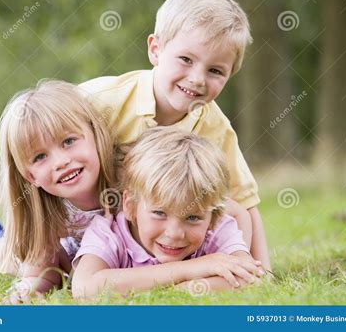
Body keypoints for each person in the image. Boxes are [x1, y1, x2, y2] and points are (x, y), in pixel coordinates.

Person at [79, 0, 270, 269]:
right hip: (82, 216)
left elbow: (244, 202)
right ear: (155, 49)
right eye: (186, 59)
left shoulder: (215, 127)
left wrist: (262, 268)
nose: (197, 79)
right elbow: (36, 140)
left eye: (215, 71)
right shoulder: (101, 102)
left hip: (146, 227)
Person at [0, 80, 116, 301]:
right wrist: (28, 291)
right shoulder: (48, 209)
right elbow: (41, 276)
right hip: (64, 256)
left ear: (94, 134)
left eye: (69, 141)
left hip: (95, 258)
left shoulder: (127, 179)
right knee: (27, 264)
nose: (61, 162)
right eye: (40, 157)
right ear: (30, 176)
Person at [72, 127, 264, 298]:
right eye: (159, 213)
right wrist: (191, 269)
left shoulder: (218, 229)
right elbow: (85, 287)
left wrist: (171, 292)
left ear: (213, 219)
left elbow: (249, 280)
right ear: (130, 207)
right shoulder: (108, 233)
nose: (174, 233)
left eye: (192, 217)